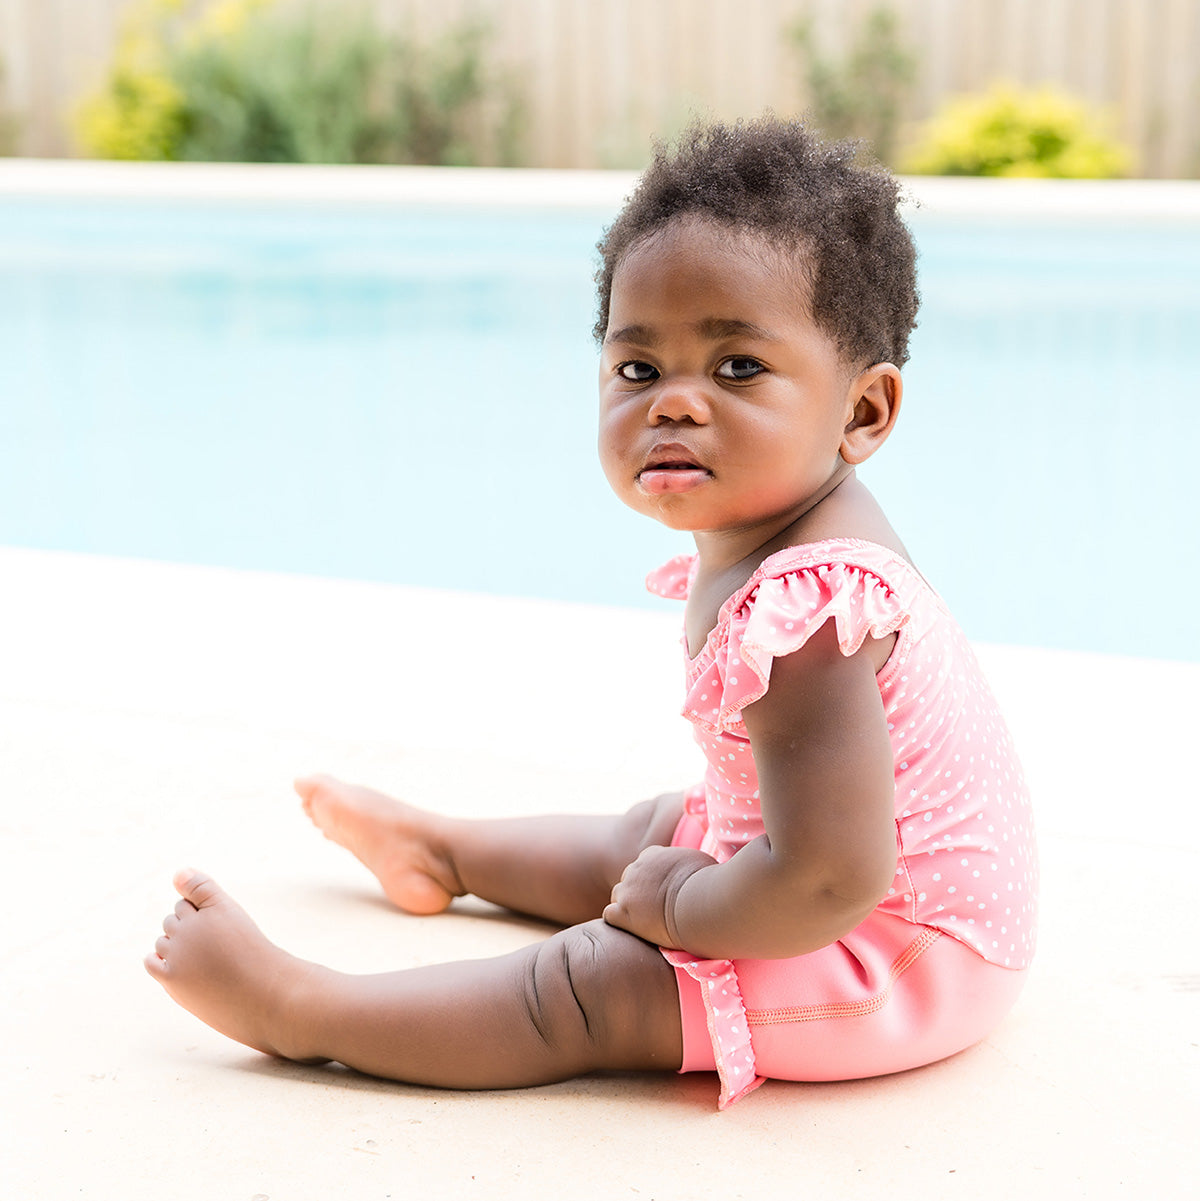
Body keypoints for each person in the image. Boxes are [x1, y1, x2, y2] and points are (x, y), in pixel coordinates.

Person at [145, 115, 1037, 1109]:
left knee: (593, 982)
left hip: (902, 956)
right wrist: (683, 870)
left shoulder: (812, 610)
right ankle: (442, 850)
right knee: (656, 827)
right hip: (846, 890)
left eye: (738, 367)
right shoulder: (782, 531)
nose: (675, 402)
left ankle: (300, 1009)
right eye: (638, 368)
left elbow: (832, 880)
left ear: (862, 412)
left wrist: (688, 903)